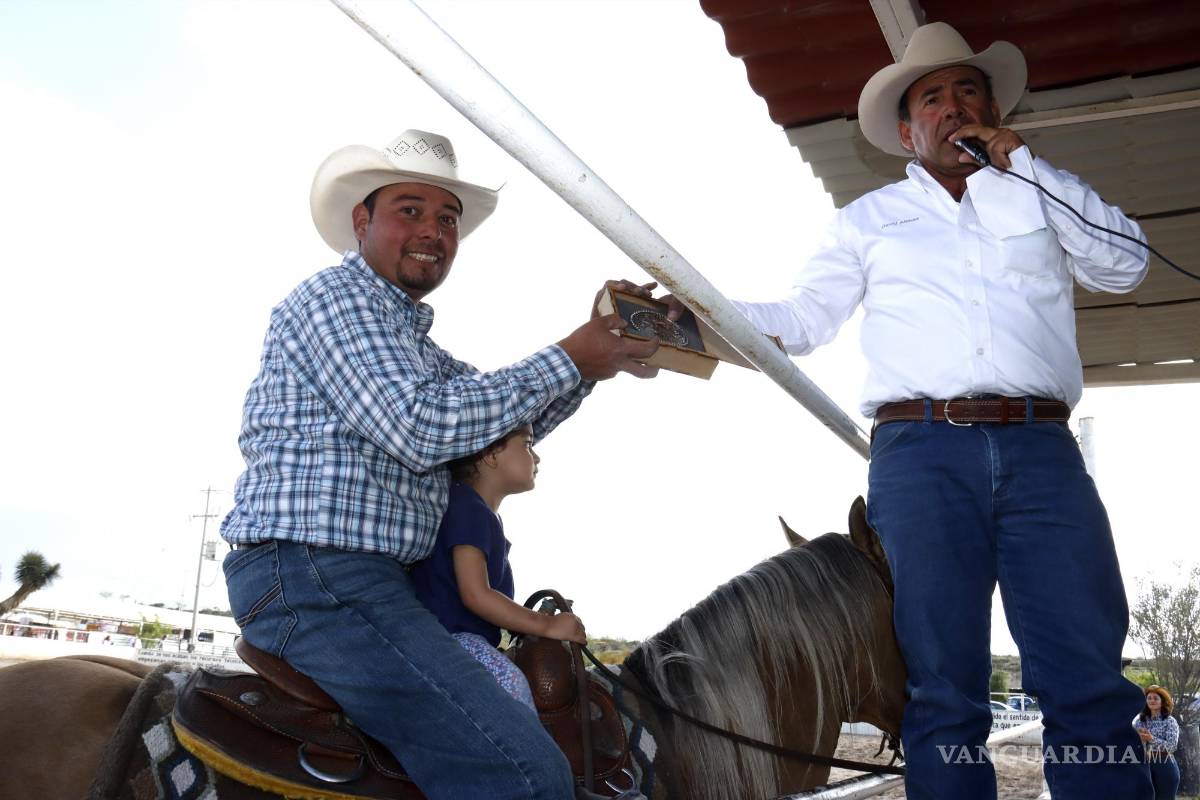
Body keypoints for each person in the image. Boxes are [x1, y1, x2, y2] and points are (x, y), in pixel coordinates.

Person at [666, 22, 1154, 800]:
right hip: (921, 453)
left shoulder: (1037, 191)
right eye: (934, 97)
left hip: (1043, 451)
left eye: (969, 92)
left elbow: (1123, 263)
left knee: (1086, 677)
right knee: (940, 689)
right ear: (906, 130)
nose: (954, 107)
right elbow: (803, 319)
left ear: (993, 114)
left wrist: (1023, 164)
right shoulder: (867, 222)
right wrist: (696, 315)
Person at [220, 129, 660, 800]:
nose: (433, 230)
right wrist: (576, 354)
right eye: (411, 210)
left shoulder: (411, 346)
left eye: (447, 218)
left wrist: (602, 351)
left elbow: (502, 427)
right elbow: (420, 428)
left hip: (362, 582)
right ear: (360, 221)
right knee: (526, 774)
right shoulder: (336, 301)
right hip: (314, 576)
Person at [410, 423, 587, 712]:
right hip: (452, 643)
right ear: (491, 454)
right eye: (528, 444)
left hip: (456, 641)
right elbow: (476, 595)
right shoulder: (469, 508)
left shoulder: (470, 509)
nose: (537, 457)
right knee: (512, 686)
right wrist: (547, 624)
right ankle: (524, 757)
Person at [1135, 685, 1181, 798]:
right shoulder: (1140, 721)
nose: (1152, 701)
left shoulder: (1170, 721)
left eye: (1155, 698)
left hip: (1165, 765)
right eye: (1149, 698)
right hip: (1144, 765)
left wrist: (1151, 739)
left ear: (1163, 701)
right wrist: (1137, 738)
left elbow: (1171, 746)